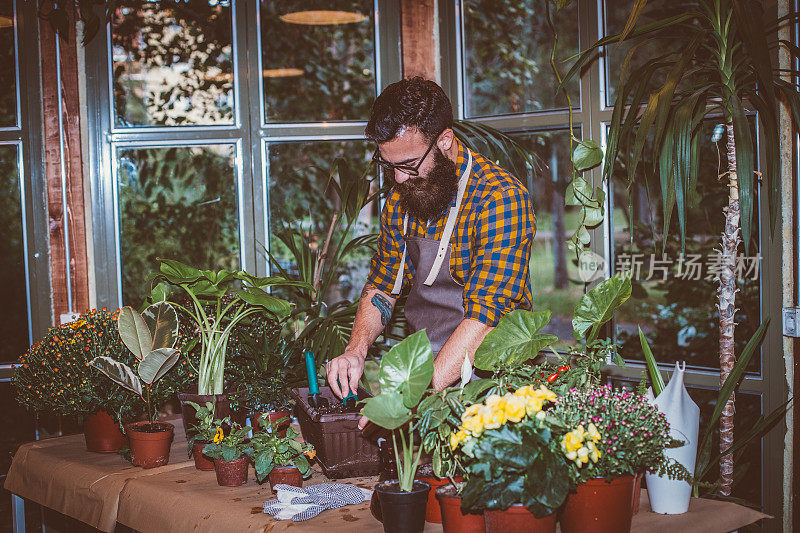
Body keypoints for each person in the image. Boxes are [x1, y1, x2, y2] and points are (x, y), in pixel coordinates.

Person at [326, 77, 536, 411]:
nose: (398, 179)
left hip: (492, 383)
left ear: (445, 141)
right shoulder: (403, 196)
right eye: (389, 166)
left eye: (408, 165)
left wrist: (411, 401)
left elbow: (486, 318)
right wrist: (355, 350)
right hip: (423, 369)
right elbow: (382, 287)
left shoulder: (499, 198)